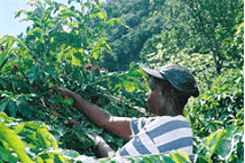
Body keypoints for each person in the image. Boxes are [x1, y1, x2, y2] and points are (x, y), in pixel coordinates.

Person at [59, 64, 199, 158]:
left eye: (153, 89)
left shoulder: (164, 128)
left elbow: (114, 161)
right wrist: (74, 97)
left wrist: (95, 138)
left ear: (170, 95)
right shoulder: (179, 125)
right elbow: (108, 120)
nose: (147, 94)